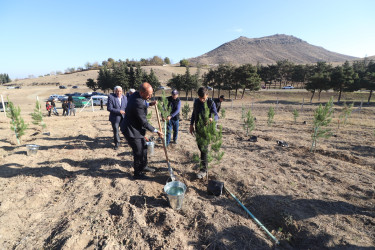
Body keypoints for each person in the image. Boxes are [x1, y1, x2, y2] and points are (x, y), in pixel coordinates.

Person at [120, 82, 162, 180]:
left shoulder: (137, 95)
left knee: (144, 147)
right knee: (138, 151)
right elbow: (144, 122)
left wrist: (150, 104)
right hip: (130, 130)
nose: (150, 96)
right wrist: (156, 131)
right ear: (142, 93)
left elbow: (143, 103)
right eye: (149, 94)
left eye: (151, 94)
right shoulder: (137, 102)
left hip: (136, 128)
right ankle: (137, 173)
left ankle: (144, 166)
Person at [189, 87, 218, 179]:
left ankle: (203, 170)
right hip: (198, 129)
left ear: (207, 95)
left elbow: (216, 114)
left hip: (207, 130)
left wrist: (211, 118)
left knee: (204, 149)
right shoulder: (196, 102)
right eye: (201, 98)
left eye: (204, 98)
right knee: (200, 147)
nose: (202, 100)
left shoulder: (211, 103)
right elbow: (194, 113)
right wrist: (191, 124)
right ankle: (203, 163)